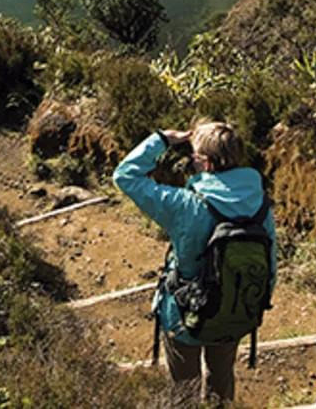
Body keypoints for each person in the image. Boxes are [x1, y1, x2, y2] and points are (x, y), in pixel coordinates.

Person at [113, 121, 276, 404]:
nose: (193, 162)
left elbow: (125, 175)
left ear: (207, 163)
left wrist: (162, 139)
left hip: (184, 315)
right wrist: (249, 304)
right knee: (221, 382)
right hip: (235, 310)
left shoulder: (185, 204)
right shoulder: (260, 204)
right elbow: (269, 267)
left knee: (183, 391)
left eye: (195, 157)